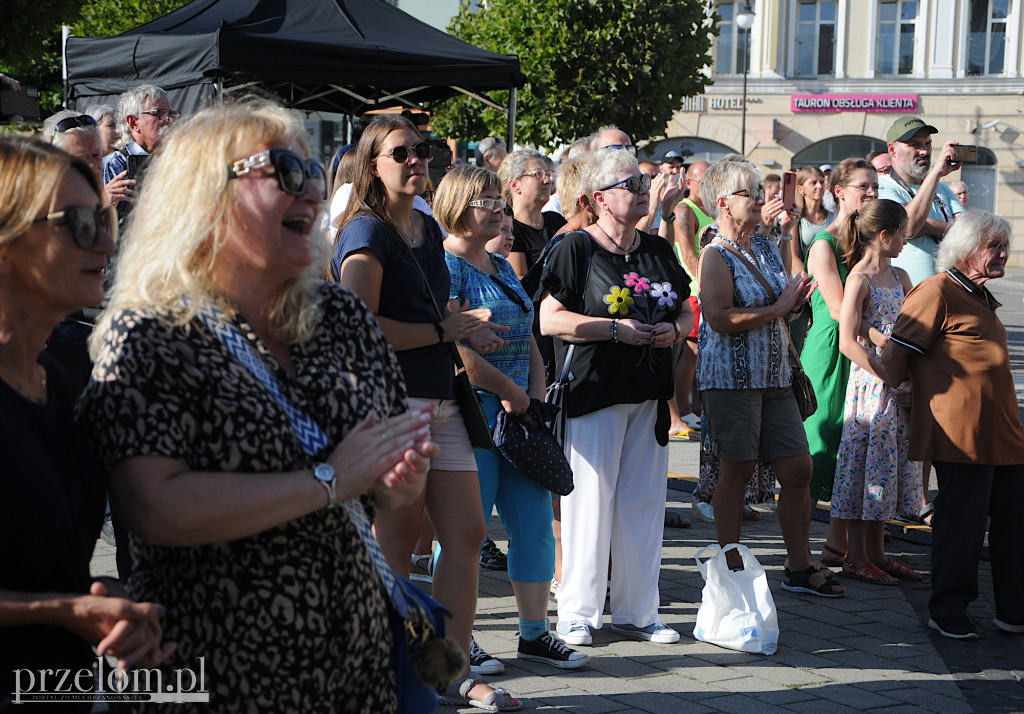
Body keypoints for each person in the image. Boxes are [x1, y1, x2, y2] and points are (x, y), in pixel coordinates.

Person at [77, 104, 439, 711]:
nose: (313, 190)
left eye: (314, 175)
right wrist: (329, 479)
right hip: (217, 671)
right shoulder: (153, 333)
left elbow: (389, 493)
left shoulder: (342, 317)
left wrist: (402, 474)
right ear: (207, 195)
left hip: (358, 665)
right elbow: (155, 507)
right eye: (286, 174)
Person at [333, 115, 518, 710]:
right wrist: (444, 328)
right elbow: (359, 325)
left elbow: (436, 317)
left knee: (465, 534)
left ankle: (453, 671)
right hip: (395, 402)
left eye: (423, 150)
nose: (417, 160)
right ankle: (386, 668)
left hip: (442, 397)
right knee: (398, 544)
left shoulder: (424, 225)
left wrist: (463, 331)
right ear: (372, 165)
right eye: (401, 152)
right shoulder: (366, 230)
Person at [0, 136, 172, 711]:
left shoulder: (52, 377)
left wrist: (110, 601)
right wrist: (67, 610)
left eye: (104, 218)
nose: (104, 239)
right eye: (78, 222)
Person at [438, 163, 588, 671]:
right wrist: (508, 391)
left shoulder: (500, 265)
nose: (498, 208)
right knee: (465, 532)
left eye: (499, 199)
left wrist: (534, 394)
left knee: (534, 527)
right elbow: (457, 350)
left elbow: (527, 336)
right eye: (486, 200)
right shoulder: (446, 266)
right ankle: (459, 636)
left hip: (518, 415)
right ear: (459, 205)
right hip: (471, 416)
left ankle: (533, 634)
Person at [540, 149, 693, 646]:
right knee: (588, 503)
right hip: (594, 391)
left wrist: (674, 330)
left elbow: (688, 312)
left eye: (644, 181)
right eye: (631, 183)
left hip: (648, 394)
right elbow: (548, 319)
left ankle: (638, 611)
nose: (643, 188)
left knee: (644, 504)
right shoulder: (576, 248)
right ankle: (577, 613)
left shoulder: (656, 249)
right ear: (599, 198)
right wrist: (612, 329)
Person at [696, 155, 844, 597]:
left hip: (775, 376)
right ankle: (732, 563)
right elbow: (720, 318)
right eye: (750, 193)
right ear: (723, 202)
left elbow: (784, 300)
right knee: (736, 471)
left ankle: (799, 566)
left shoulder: (762, 245)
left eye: (759, 190)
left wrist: (794, 299)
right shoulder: (715, 254)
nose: (760, 199)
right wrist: (779, 308)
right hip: (732, 380)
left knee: (799, 468)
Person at [882, 210, 1024, 640]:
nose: (1002, 254)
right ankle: (948, 610)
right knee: (961, 525)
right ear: (965, 250)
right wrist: (910, 390)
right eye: (993, 246)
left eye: (1004, 245)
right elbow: (894, 359)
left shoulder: (978, 295)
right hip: (960, 433)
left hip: (1003, 433)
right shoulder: (937, 290)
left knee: (1015, 522)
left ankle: (1014, 609)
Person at [801, 159, 889, 568]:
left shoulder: (869, 242)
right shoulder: (824, 243)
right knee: (818, 451)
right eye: (863, 187)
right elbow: (838, 311)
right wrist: (883, 342)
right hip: (831, 351)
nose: (871, 193)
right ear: (839, 191)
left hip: (859, 350)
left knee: (851, 450)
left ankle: (840, 548)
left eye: (874, 187)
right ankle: (799, 556)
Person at [832, 198, 922, 585]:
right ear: (884, 236)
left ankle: (877, 554)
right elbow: (847, 341)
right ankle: (855, 557)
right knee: (861, 467)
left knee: (886, 467)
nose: (906, 238)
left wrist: (911, 379)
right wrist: (888, 376)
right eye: (902, 232)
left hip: (898, 384)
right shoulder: (858, 279)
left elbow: (915, 331)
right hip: (872, 386)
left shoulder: (901, 276)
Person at [879, 116, 965, 287]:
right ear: (892, 150)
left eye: (928, 144)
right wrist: (935, 174)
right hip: (909, 297)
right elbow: (910, 227)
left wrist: (927, 225)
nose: (924, 151)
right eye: (915, 145)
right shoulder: (883, 187)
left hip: (950, 290)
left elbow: (968, 233)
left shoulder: (942, 189)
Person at [102, 84, 179, 221]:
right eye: (160, 113)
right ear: (133, 123)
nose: (169, 120)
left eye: (171, 114)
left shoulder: (176, 161)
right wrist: (103, 204)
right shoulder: (113, 165)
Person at [501, 149, 565, 279]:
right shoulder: (509, 229)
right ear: (514, 185)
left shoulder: (556, 220)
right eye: (538, 174)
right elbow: (521, 280)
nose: (548, 180)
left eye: (548, 174)